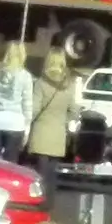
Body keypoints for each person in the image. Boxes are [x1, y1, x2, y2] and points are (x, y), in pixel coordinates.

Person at [26, 50, 77, 186]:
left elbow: (34, 109)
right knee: (52, 173)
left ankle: (39, 200)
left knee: (39, 173)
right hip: (58, 134)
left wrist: (27, 123)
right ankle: (50, 201)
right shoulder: (69, 85)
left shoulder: (41, 83)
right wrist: (63, 122)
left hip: (41, 132)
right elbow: (74, 110)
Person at [0, 41, 34, 161]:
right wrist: (27, 126)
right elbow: (27, 104)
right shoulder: (25, 76)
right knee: (11, 162)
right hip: (16, 122)